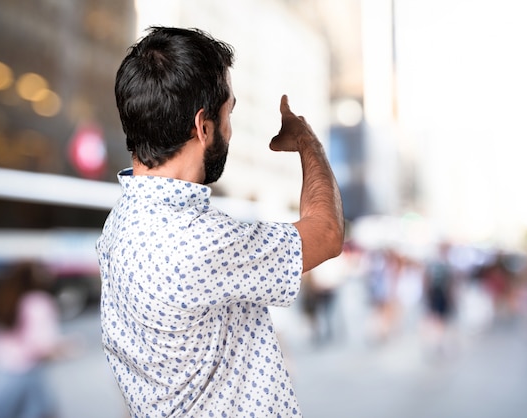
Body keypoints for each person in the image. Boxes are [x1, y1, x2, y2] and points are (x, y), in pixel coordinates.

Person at [96, 26, 344, 418]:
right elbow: (327, 234)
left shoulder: (120, 224)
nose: (229, 130)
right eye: (229, 113)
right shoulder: (194, 240)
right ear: (203, 127)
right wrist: (307, 141)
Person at [0, 261, 68, 418]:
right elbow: (43, 346)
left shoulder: (4, 295)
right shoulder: (38, 301)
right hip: (26, 373)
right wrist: (66, 348)